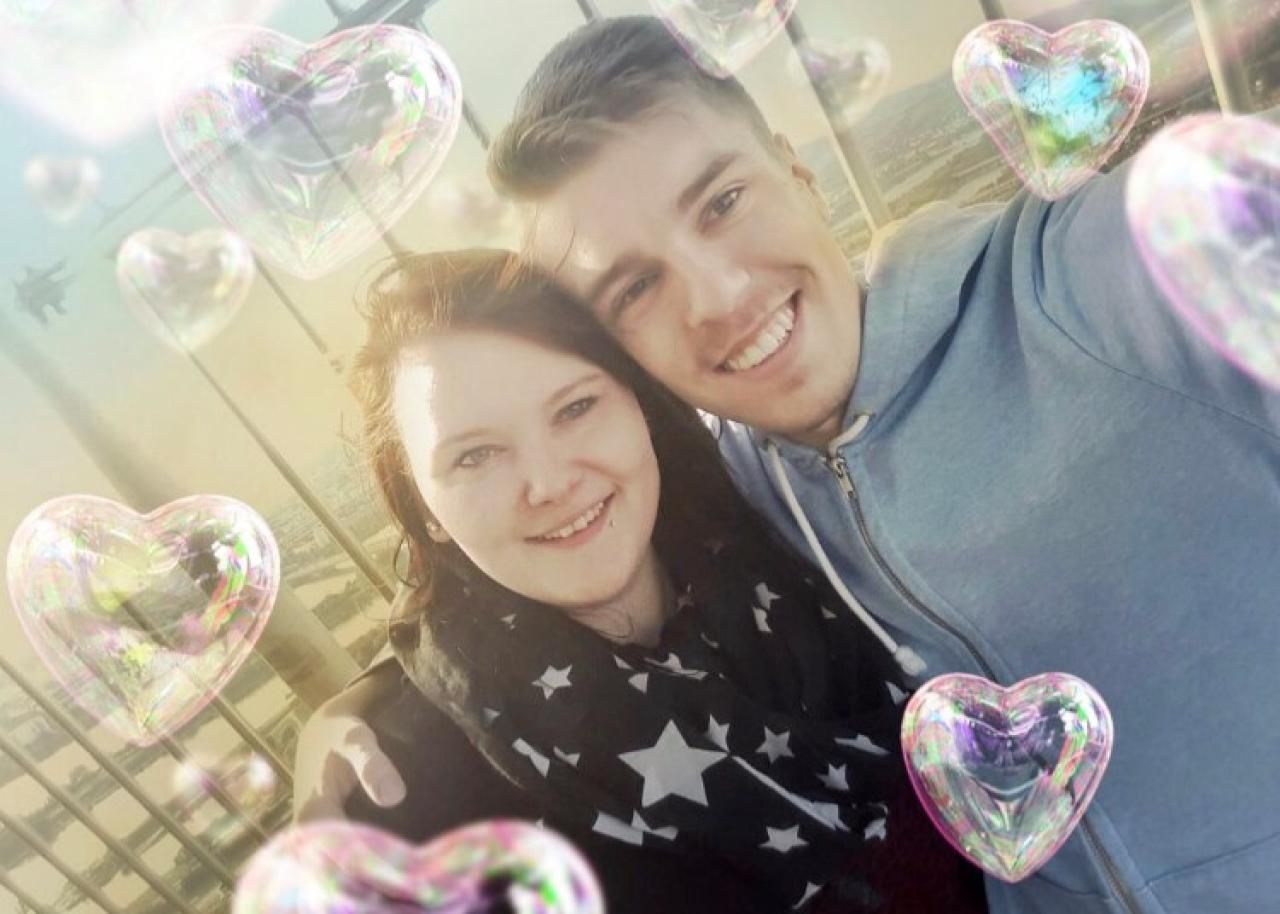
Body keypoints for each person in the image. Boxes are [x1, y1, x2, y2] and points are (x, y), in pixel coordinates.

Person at [302, 15, 1280, 914]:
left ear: (796, 169)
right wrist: (369, 710)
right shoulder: (735, 497)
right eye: (636, 287)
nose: (718, 296)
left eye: (722, 201)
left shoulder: (1087, 281)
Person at [298, 248, 986, 913]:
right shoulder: (404, 805)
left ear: (639, 404)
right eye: (475, 456)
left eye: (575, 408)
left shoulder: (783, 518)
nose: (550, 483)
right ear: (425, 511)